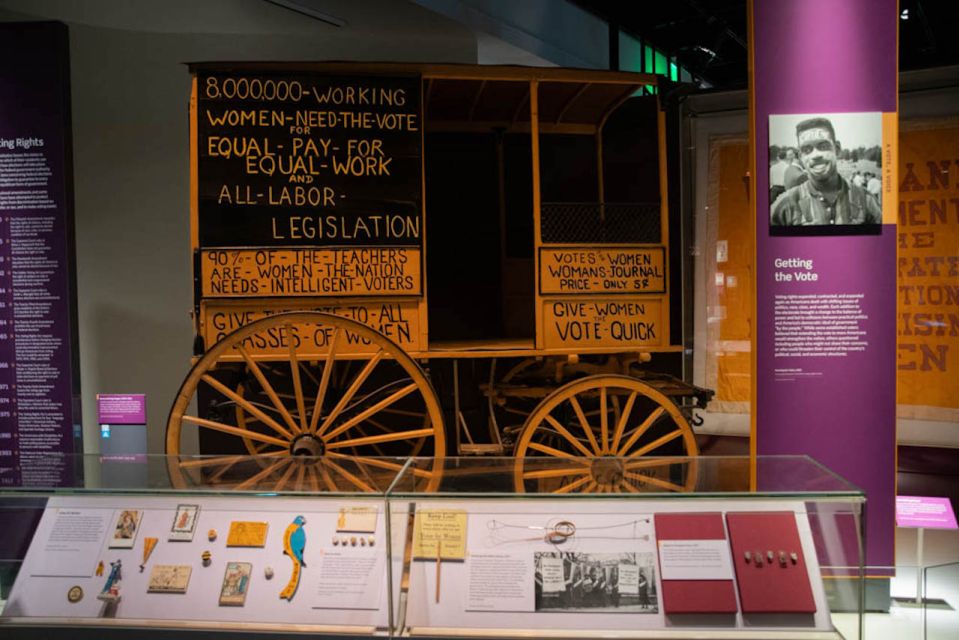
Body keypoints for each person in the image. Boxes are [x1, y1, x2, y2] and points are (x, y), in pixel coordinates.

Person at [771, 117, 881, 226]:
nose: (816, 155)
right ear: (800, 157)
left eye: (823, 146)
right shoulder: (785, 205)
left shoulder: (866, 200)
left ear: (837, 149)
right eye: (807, 150)